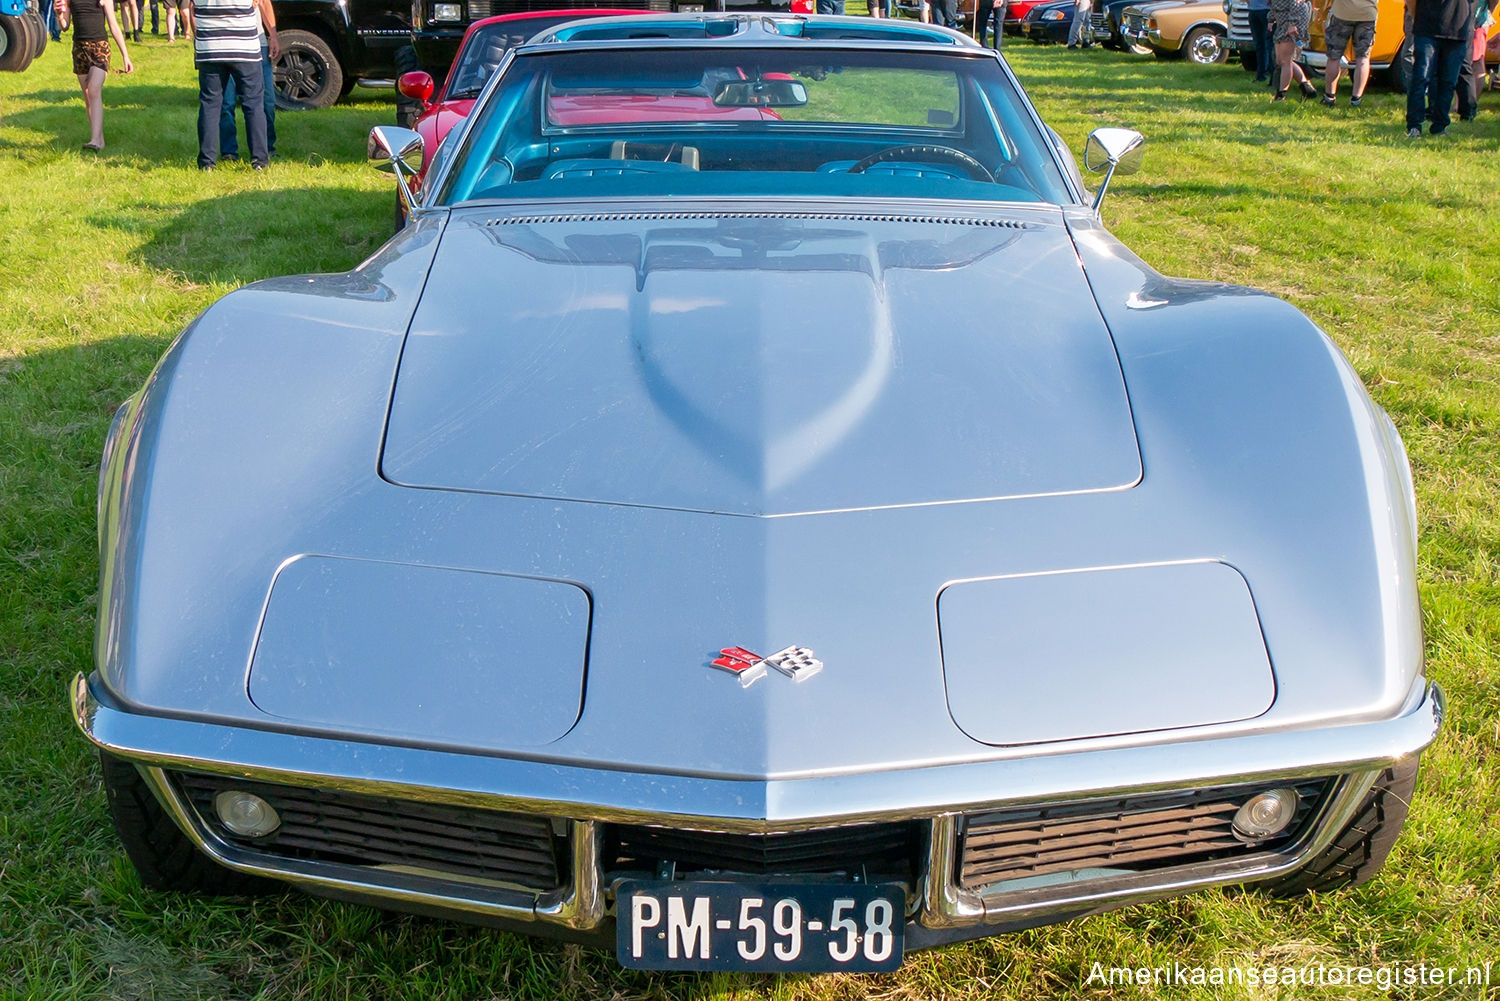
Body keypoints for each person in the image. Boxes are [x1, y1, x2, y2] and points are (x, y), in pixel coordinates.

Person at [184, 0, 277, 168]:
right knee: (253, 104)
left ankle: (207, 162)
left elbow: (191, 8)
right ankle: (259, 160)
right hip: (244, 47)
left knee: (210, 105)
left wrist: (199, 36)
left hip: (210, 47)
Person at [54, 0, 133, 151]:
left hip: (100, 47)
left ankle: (95, 140)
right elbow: (65, 27)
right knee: (87, 96)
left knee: (93, 89)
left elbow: (114, 26)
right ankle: (99, 139)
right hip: (79, 49)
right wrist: (59, 15)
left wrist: (125, 56)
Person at [1404, 0, 1477, 134]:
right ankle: (1414, 125)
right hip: (1428, 28)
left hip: (1456, 30)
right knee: (1421, 78)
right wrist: (1416, 18)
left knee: (1447, 82)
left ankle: (1440, 125)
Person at [219, 18, 276, 160]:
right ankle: (229, 151)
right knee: (226, 103)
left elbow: (264, 3)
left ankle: (266, 148)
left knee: (266, 101)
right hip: (224, 47)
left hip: (257, 43)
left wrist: (273, 35)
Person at [1321, 0, 1378, 105]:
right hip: (1367, 14)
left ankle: (1329, 97)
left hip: (1342, 13)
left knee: (1334, 56)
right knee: (1363, 58)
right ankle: (1356, 99)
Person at [1269, 0, 1319, 99]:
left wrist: (1293, 24)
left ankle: (1281, 94)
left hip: (1293, 21)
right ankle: (1306, 87)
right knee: (1279, 60)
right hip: (1282, 21)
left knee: (1285, 61)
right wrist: (1270, 19)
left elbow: (1296, 2)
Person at [1248, 0, 1273, 82]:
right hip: (1255, 9)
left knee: (1267, 45)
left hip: (1263, 10)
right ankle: (1262, 75)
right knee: (1262, 45)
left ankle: (1270, 77)